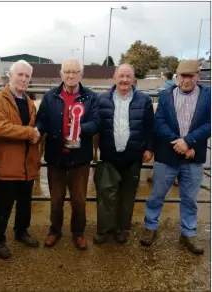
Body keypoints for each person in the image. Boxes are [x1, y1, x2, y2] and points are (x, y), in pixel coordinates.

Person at [140, 60, 211, 255]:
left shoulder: (208, 96)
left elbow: (208, 124)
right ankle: (150, 227)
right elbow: (160, 122)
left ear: (198, 76)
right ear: (177, 77)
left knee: (190, 198)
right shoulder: (165, 95)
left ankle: (188, 232)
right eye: (183, 76)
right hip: (167, 155)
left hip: (194, 155)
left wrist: (189, 142)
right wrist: (179, 143)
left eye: (191, 76)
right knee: (157, 195)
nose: (186, 80)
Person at [35, 58, 98, 250]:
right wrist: (37, 130)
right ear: (61, 74)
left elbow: (96, 123)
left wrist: (79, 128)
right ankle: (55, 230)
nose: (71, 76)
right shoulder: (50, 96)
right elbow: (42, 120)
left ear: (81, 74)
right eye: (67, 72)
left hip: (80, 157)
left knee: (79, 199)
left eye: (75, 72)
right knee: (56, 199)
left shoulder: (91, 97)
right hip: (56, 156)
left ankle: (78, 233)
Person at [93, 64, 154, 244]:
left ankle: (122, 229)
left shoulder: (144, 100)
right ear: (114, 78)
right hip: (109, 155)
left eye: (128, 76)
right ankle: (105, 230)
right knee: (106, 195)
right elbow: (96, 126)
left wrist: (149, 148)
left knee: (127, 196)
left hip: (133, 155)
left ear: (134, 79)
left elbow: (150, 127)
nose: (124, 80)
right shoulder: (101, 99)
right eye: (121, 76)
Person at [0, 60, 40, 259]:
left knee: (25, 200)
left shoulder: (28, 101)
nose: (24, 79)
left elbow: (35, 129)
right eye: (20, 74)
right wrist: (29, 132)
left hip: (27, 162)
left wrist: (37, 135)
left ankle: (21, 231)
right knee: (4, 202)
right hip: (8, 162)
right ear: (9, 75)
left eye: (27, 76)